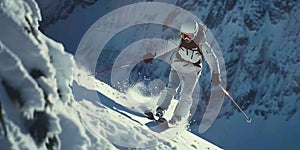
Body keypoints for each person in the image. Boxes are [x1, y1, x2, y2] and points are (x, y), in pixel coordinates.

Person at [144, 20, 221, 126]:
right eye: (183, 35)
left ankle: (177, 117)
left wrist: (215, 74)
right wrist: (153, 54)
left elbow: (212, 59)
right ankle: (161, 109)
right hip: (177, 66)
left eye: (188, 36)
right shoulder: (180, 40)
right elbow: (166, 46)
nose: (185, 38)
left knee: (186, 94)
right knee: (171, 87)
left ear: (194, 34)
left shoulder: (202, 44)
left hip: (192, 71)